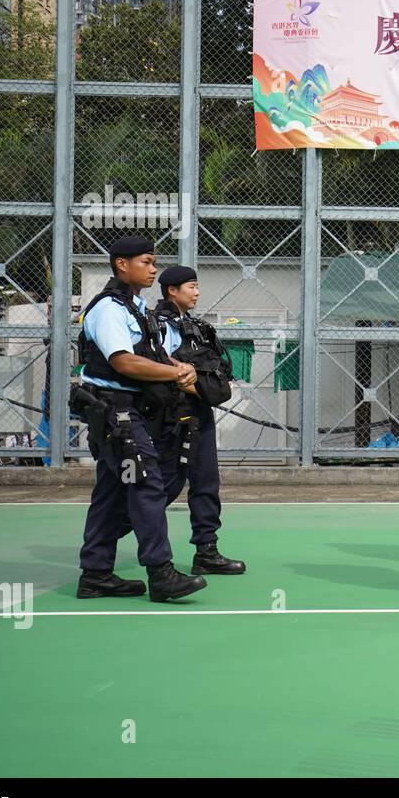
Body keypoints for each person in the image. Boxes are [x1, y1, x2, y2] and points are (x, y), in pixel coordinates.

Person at [71, 236, 207, 603]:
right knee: (145, 482)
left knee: (112, 492)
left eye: (153, 262)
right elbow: (123, 362)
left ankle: (96, 573)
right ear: (121, 264)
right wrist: (176, 375)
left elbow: (150, 355)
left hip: (129, 412)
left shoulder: (136, 308)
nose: (152, 269)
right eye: (146, 262)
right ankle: (161, 574)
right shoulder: (109, 309)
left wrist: (179, 367)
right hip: (118, 414)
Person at [154, 265, 247, 576]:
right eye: (191, 286)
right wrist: (201, 389)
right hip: (172, 415)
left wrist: (207, 391)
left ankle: (206, 550)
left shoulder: (195, 327)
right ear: (172, 290)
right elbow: (162, 368)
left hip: (200, 415)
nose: (197, 292)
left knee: (206, 482)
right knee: (166, 484)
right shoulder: (160, 327)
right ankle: (112, 538)